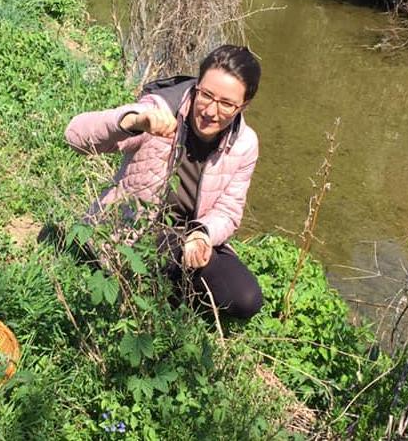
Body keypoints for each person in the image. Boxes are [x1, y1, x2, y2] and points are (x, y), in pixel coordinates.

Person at [64, 44, 263, 319]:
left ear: (244, 105)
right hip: (138, 230)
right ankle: (149, 288)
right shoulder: (161, 111)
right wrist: (134, 121)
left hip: (188, 238)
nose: (211, 110)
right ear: (197, 86)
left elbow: (229, 210)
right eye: (206, 95)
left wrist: (203, 235)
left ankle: (171, 293)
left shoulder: (245, 143)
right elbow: (75, 136)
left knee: (245, 298)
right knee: (155, 271)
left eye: (227, 104)